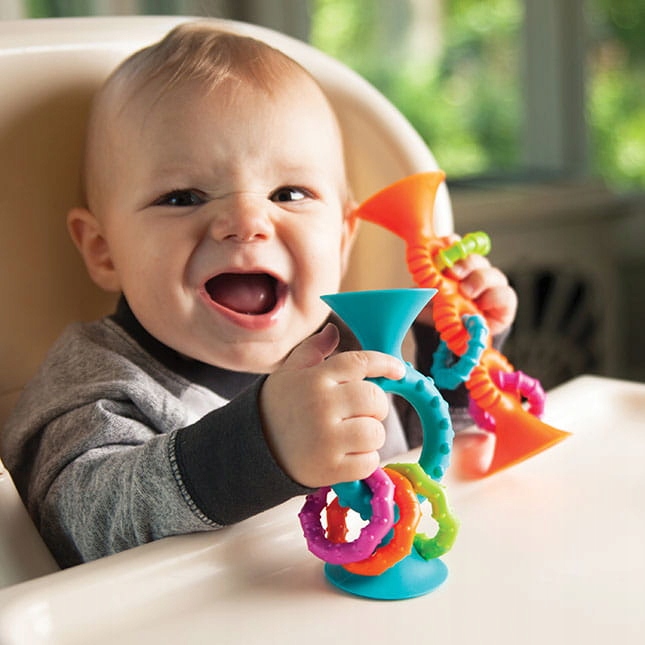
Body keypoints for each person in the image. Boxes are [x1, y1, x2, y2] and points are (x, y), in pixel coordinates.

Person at [0, 23, 517, 568]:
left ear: (342, 240)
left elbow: (432, 462)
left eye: (288, 193)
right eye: (183, 197)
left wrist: (455, 348)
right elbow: (80, 530)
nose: (246, 222)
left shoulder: (356, 351)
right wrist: (262, 445)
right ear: (104, 250)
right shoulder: (97, 385)